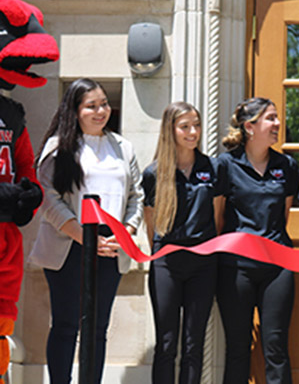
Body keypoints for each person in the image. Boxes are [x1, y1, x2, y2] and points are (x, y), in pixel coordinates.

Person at [29, 78, 144, 384]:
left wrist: (126, 232)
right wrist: (82, 235)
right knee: (66, 324)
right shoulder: (58, 147)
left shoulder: (123, 147)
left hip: (111, 243)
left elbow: (137, 196)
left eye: (104, 104)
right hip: (69, 242)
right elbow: (48, 197)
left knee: (98, 328)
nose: (100, 111)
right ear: (75, 110)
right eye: (91, 106)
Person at [214, 97, 299, 384]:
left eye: (276, 118)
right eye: (270, 118)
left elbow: (283, 216)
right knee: (238, 348)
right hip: (235, 268)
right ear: (250, 127)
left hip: (277, 267)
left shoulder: (286, 165)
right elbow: (218, 220)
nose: (277, 124)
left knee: (276, 346)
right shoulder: (225, 165)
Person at [142, 102, 219, 384]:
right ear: (170, 130)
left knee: (193, 343)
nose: (193, 132)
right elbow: (151, 225)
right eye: (185, 126)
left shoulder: (213, 168)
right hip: (167, 263)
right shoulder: (153, 173)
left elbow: (218, 217)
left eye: (196, 125)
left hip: (203, 264)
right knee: (166, 342)